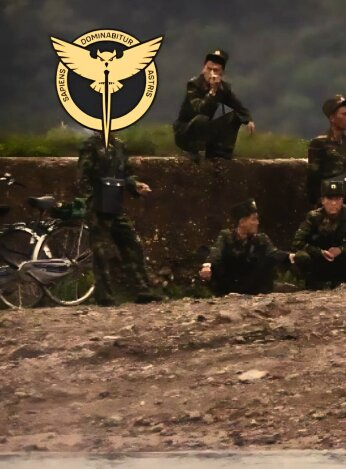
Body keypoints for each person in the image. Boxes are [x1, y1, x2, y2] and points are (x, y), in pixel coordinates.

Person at [77, 132, 162, 306]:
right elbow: (84, 174)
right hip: (97, 203)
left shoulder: (120, 145)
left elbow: (127, 174)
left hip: (114, 203)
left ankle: (144, 291)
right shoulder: (91, 144)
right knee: (101, 251)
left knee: (132, 243)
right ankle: (105, 296)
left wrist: (136, 185)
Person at [173, 49, 255, 161]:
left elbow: (237, 105)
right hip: (186, 131)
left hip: (205, 129)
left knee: (234, 117)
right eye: (209, 69)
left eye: (215, 70)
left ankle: (222, 151)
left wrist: (248, 119)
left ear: (221, 73)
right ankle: (196, 151)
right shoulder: (194, 85)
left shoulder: (223, 88)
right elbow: (200, 109)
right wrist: (212, 92)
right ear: (203, 69)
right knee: (202, 118)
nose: (211, 73)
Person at [199, 199, 294, 295]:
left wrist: (290, 256)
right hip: (229, 286)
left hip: (253, 286)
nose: (257, 223)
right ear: (242, 222)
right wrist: (207, 266)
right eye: (253, 219)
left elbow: (273, 253)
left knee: (267, 258)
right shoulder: (226, 236)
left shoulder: (261, 239)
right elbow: (216, 251)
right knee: (206, 253)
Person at [291, 181, 346, 289]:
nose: (333, 203)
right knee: (301, 256)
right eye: (330, 199)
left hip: (345, 260)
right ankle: (311, 286)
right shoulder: (313, 216)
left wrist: (341, 249)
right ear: (322, 201)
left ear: (342, 200)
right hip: (321, 261)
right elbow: (297, 242)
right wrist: (319, 252)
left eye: (337, 199)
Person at [307, 95, 346, 206]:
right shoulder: (319, 143)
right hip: (327, 201)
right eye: (343, 114)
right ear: (332, 118)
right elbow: (313, 179)